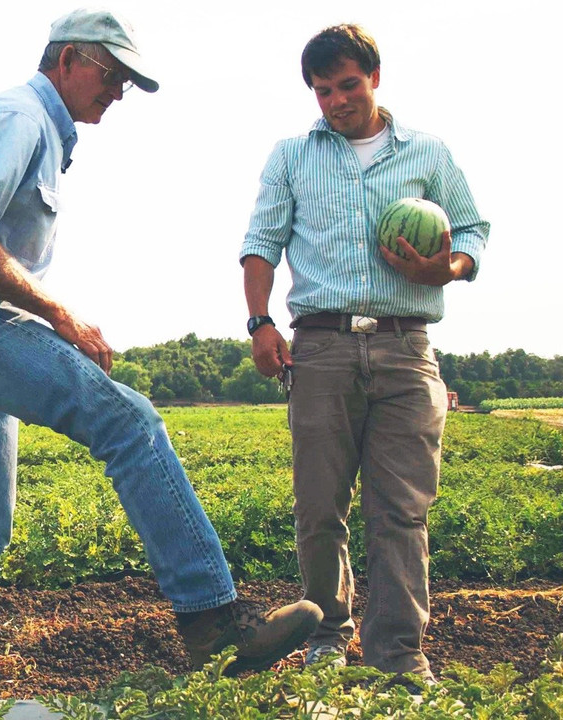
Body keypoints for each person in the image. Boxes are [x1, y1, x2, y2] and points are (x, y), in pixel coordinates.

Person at [0, 7, 321, 686]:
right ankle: (216, 625)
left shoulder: (43, 132)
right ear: (65, 60)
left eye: (126, 80)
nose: (117, 91)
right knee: (129, 421)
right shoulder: (17, 118)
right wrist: (61, 315)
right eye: (110, 73)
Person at [239, 24, 489, 682]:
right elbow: (261, 242)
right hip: (319, 345)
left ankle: (400, 660)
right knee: (320, 508)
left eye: (348, 85)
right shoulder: (293, 155)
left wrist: (449, 266)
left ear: (374, 77)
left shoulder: (427, 153)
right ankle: (326, 634)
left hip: (406, 347)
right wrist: (261, 321)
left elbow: (471, 228)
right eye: (324, 91)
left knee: (400, 511)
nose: (337, 101)